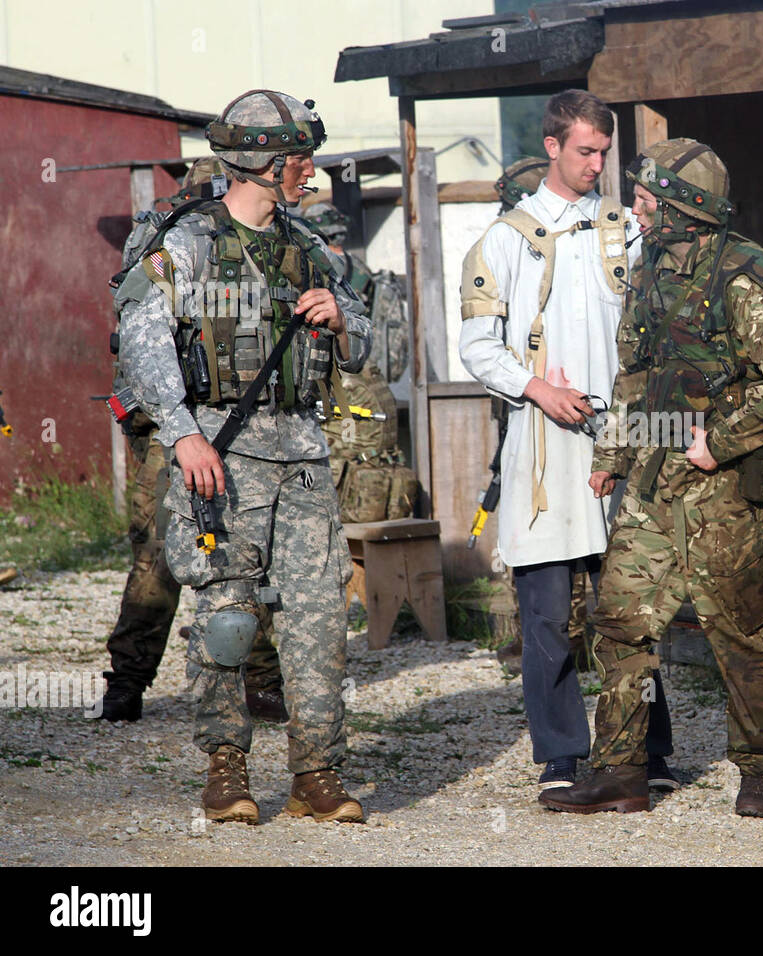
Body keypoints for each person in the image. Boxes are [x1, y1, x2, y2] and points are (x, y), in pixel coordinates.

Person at [116, 89, 370, 825]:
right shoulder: (187, 245)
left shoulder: (311, 247)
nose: (308, 171)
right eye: (298, 159)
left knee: (320, 618)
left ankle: (316, 772)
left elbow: (371, 340)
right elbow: (142, 335)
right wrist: (182, 432)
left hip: (305, 457)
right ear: (263, 163)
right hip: (223, 456)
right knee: (227, 616)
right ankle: (225, 770)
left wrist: (341, 320)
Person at [539, 137, 763, 818]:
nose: (634, 205)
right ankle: (621, 774)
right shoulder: (649, 266)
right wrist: (613, 455)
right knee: (621, 624)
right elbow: (633, 375)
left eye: (646, 196)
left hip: (722, 488)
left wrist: (719, 445)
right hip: (655, 485)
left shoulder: (741, 275)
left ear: (685, 207)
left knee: (741, 633)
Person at [459, 91, 676, 793]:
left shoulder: (624, 231)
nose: (597, 164)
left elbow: (656, 323)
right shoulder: (503, 239)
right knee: (548, 611)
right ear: (552, 146)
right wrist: (536, 388)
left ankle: (646, 750)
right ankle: (560, 755)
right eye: (585, 150)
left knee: (632, 606)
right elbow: (476, 346)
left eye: (604, 153)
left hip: (623, 440)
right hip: (543, 446)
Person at [100, 158, 287, 724]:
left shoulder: (185, 230)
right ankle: (135, 682)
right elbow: (139, 327)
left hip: (214, 420)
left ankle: (248, 680)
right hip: (178, 423)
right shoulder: (176, 237)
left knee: (222, 551)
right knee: (188, 550)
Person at [484, 156, 595, 678]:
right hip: (527, 422)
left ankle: (575, 642)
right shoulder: (501, 243)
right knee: (541, 555)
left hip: (579, 423)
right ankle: (543, 641)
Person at [301, 201, 417, 524]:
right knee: (370, 455)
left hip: (338, 376)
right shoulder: (361, 270)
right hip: (371, 375)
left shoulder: (319, 266)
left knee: (340, 454)